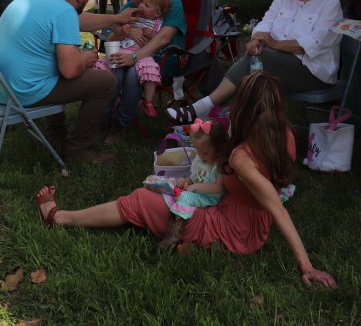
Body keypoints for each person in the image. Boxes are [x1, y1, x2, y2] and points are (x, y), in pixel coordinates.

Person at [34, 72, 339, 288]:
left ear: (245, 107)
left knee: (141, 199)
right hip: (245, 217)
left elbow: (276, 208)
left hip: (232, 229)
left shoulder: (242, 157)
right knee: (165, 190)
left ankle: (60, 218)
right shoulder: (284, 134)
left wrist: (306, 266)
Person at [0, 0, 140, 165]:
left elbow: (77, 20)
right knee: (105, 82)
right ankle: (79, 149)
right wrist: (84, 59)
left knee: (52, 66)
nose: (87, 2)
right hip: (23, 91)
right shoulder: (64, 12)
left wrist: (115, 19)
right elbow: (70, 70)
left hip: (2, 86)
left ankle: (57, 134)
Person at [168, 0, 342, 122]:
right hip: (277, 62)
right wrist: (257, 39)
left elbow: (317, 42)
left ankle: (206, 110)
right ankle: (229, 118)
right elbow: (267, 21)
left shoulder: (329, 1)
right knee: (255, 64)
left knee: (258, 60)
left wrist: (275, 44)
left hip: (312, 70)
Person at [102, 0, 186, 143]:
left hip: (163, 61)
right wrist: (126, 32)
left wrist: (133, 58)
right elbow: (110, 39)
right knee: (114, 67)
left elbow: (163, 39)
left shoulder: (169, 3)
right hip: (130, 57)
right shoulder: (129, 9)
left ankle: (121, 125)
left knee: (133, 74)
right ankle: (103, 118)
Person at [94, 0, 174, 119]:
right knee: (112, 67)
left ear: (157, 13)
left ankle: (148, 101)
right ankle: (103, 107)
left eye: (146, 5)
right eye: (142, 2)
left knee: (150, 70)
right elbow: (115, 31)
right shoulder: (134, 16)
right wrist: (124, 29)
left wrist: (152, 35)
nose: (141, 6)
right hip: (123, 49)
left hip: (142, 55)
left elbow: (159, 43)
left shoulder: (158, 24)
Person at [156, 116, 228, 250]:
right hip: (197, 193)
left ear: (219, 148)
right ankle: (173, 218)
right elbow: (194, 178)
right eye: (198, 152)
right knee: (176, 192)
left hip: (210, 198)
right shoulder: (201, 160)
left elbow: (219, 187)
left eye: (205, 153)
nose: (201, 156)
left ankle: (174, 235)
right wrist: (186, 181)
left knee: (184, 197)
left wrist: (194, 186)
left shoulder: (220, 165)